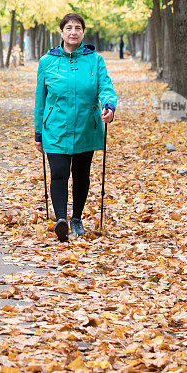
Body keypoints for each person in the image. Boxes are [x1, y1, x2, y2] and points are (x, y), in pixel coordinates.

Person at [34, 13, 117, 241]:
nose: (73, 32)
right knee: (59, 173)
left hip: (85, 127)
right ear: (61, 32)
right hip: (55, 128)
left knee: (81, 174)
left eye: (78, 28)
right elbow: (40, 100)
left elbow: (106, 88)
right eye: (69, 28)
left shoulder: (95, 60)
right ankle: (61, 219)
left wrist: (109, 105)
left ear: (83, 33)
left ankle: (76, 218)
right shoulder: (47, 62)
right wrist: (38, 133)